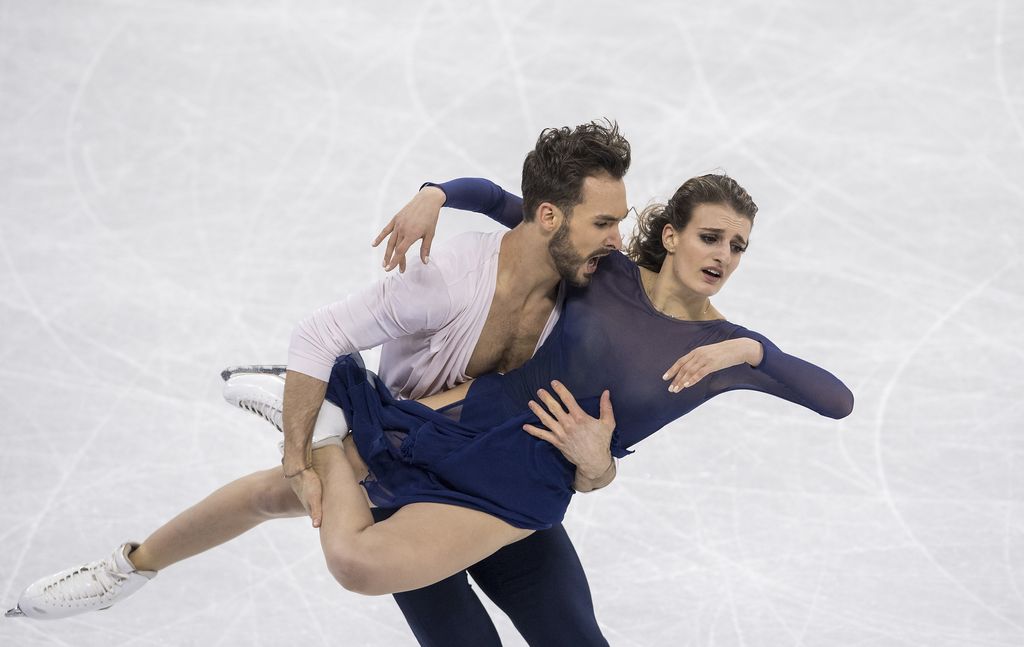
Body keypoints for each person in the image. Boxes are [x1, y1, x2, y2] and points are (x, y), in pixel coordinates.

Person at [10, 169, 854, 631]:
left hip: (527, 493)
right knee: (285, 488)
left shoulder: (722, 353)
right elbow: (512, 201)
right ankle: (126, 568)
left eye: (740, 246)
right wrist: (434, 193)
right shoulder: (603, 270)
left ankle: (330, 437)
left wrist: (756, 347)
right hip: (457, 428)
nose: (725, 255)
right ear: (670, 234)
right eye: (712, 236)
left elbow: (838, 400)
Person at [7, 121, 632, 647]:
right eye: (606, 222)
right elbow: (317, 335)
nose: (618, 241)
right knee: (278, 492)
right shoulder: (446, 281)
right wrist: (299, 460)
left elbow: (499, 199)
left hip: (501, 484)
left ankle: (146, 557)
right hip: (405, 462)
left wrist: (597, 467)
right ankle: (126, 570)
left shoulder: (589, 293)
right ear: (549, 216)